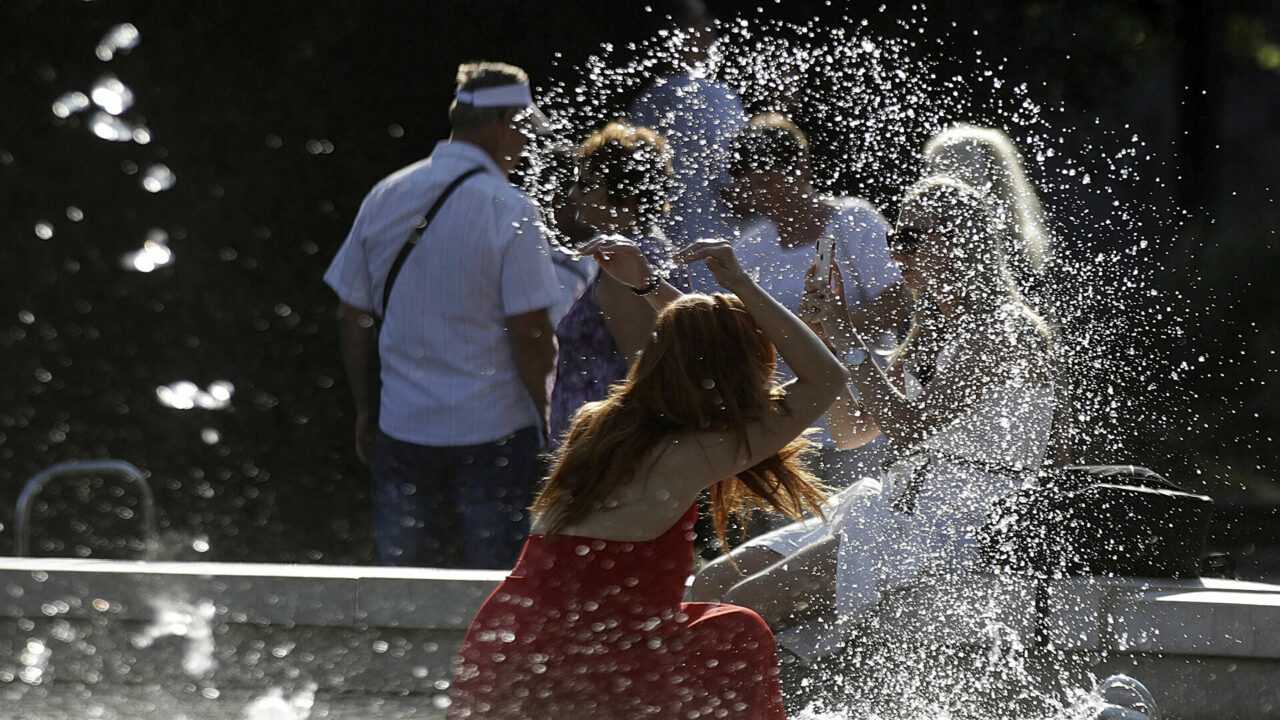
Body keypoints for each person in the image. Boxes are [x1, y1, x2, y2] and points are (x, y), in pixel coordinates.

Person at [447, 238, 846, 720]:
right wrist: (739, 283)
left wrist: (651, 287)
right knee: (737, 631)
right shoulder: (698, 452)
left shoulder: (597, 425)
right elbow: (826, 377)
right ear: (740, 372)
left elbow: (698, 348)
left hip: (506, 642)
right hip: (589, 659)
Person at [701, 176, 1056, 629]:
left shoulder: (1006, 331)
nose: (896, 254)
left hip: (959, 524)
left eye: (910, 239)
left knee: (743, 607)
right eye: (894, 239)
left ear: (958, 239)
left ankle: (749, 697)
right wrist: (825, 340)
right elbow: (851, 433)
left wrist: (849, 337)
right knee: (710, 584)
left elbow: (909, 428)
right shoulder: (927, 330)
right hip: (899, 508)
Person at [324, 61, 561, 568]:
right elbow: (531, 329)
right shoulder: (508, 207)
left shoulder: (387, 193)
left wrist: (367, 407)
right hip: (494, 432)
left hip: (404, 427)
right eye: (524, 132)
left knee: (407, 593)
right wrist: (546, 415)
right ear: (503, 125)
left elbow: (352, 315)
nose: (526, 148)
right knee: (491, 594)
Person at [687, 113, 908, 597]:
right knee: (777, 555)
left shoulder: (854, 220)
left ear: (800, 170)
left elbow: (899, 299)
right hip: (787, 418)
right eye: (750, 181)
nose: (763, 193)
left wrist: (832, 330)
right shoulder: (751, 245)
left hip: (860, 405)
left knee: (852, 558)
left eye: (770, 178)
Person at [548, 122, 690, 444]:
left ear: (625, 197)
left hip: (607, 447)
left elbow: (643, 372)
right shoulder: (647, 250)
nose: (573, 195)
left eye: (586, 185)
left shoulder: (624, 265)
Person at [629, 0, 746, 290]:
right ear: (689, 34)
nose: (712, 35)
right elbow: (736, 183)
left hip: (663, 250)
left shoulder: (645, 102)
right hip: (716, 248)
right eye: (705, 27)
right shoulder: (717, 97)